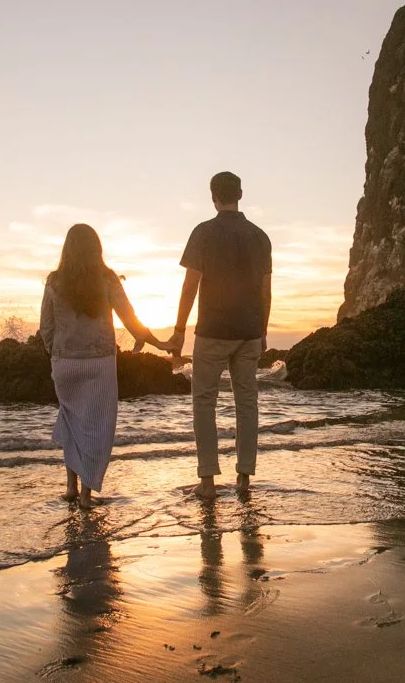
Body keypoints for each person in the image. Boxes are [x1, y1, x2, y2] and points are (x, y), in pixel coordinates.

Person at [40, 223, 171, 509]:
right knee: (97, 428)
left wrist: (56, 354)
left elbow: (46, 327)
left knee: (71, 421)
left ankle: (71, 488)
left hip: (65, 363)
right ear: (96, 248)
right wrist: (155, 343)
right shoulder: (108, 279)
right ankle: (87, 494)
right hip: (99, 362)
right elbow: (130, 317)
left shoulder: (54, 281)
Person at [169, 172, 272, 499]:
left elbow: (190, 287)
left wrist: (178, 330)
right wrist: (264, 330)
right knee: (247, 403)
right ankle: (243, 477)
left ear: (213, 196)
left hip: (212, 330)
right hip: (249, 331)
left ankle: (208, 482)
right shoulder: (260, 237)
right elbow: (266, 292)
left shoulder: (203, 233)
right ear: (240, 193)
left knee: (204, 402)